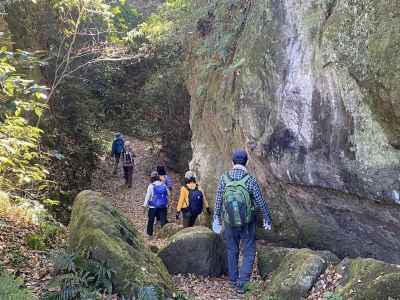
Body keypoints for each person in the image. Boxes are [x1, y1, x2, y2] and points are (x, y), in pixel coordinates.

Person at [213, 149, 272, 294]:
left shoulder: (224, 178)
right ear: (246, 162)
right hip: (247, 222)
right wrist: (267, 219)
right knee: (249, 251)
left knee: (232, 250)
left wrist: (216, 219)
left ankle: (233, 281)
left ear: (232, 162)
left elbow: (219, 201)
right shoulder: (250, 180)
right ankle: (242, 284)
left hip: (229, 222)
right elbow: (260, 201)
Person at [143, 171, 169, 237]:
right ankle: (165, 234)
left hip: (153, 207)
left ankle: (149, 234)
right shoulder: (164, 185)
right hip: (163, 206)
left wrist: (145, 206)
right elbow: (168, 194)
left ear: (152, 178)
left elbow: (147, 197)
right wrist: (166, 203)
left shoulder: (151, 186)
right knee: (163, 220)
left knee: (151, 221)